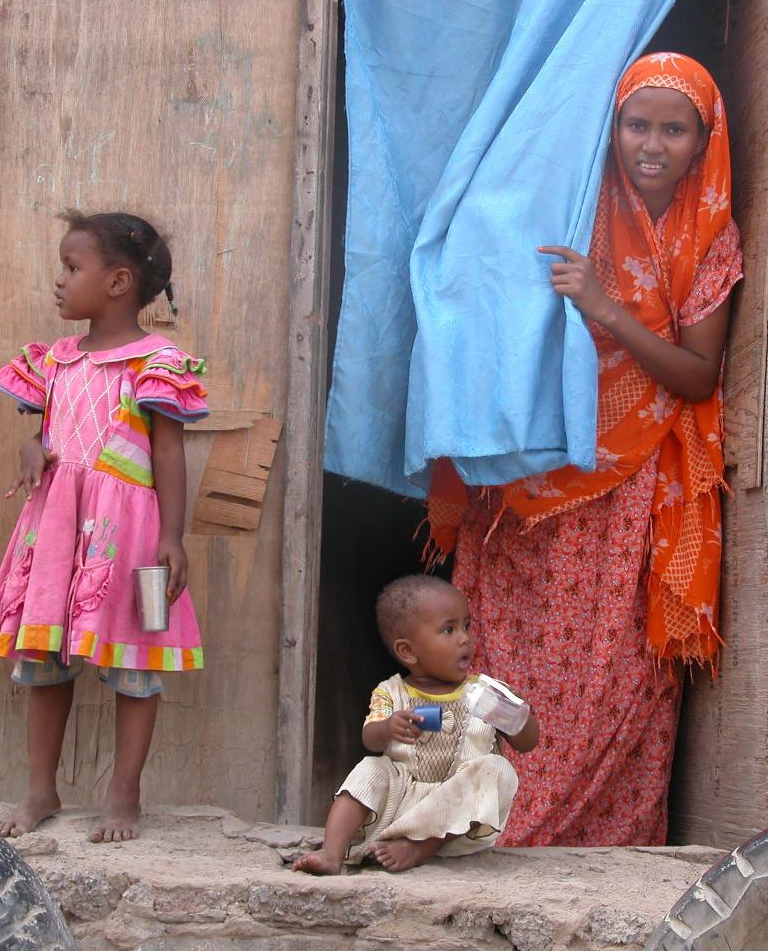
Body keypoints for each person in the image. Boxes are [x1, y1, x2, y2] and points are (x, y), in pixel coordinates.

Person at [427, 52, 742, 847]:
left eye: (675, 130)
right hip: (532, 468)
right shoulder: (571, 196)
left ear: (704, 140)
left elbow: (699, 375)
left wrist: (604, 308)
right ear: (613, 127)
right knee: (501, 655)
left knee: (615, 675)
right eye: (638, 124)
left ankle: (589, 841)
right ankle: (477, 822)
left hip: (631, 485)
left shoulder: (711, 234)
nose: (653, 144)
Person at [0, 210, 209, 843]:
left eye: (72, 267)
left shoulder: (156, 362)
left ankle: (124, 796)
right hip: (55, 529)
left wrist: (171, 536)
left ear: (118, 282)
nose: (59, 280)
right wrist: (33, 448)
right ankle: (40, 790)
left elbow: (167, 453)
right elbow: (45, 432)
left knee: (134, 664)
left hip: (126, 533)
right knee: (45, 659)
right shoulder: (55, 360)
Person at [294, 575, 539, 874]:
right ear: (408, 652)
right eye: (448, 630)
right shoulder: (391, 692)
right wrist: (388, 728)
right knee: (370, 768)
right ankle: (332, 853)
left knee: (497, 769)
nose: (464, 638)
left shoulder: (485, 692)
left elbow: (528, 743)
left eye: (467, 626)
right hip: (399, 808)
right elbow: (370, 739)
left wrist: (512, 714)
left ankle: (423, 847)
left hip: (458, 825)